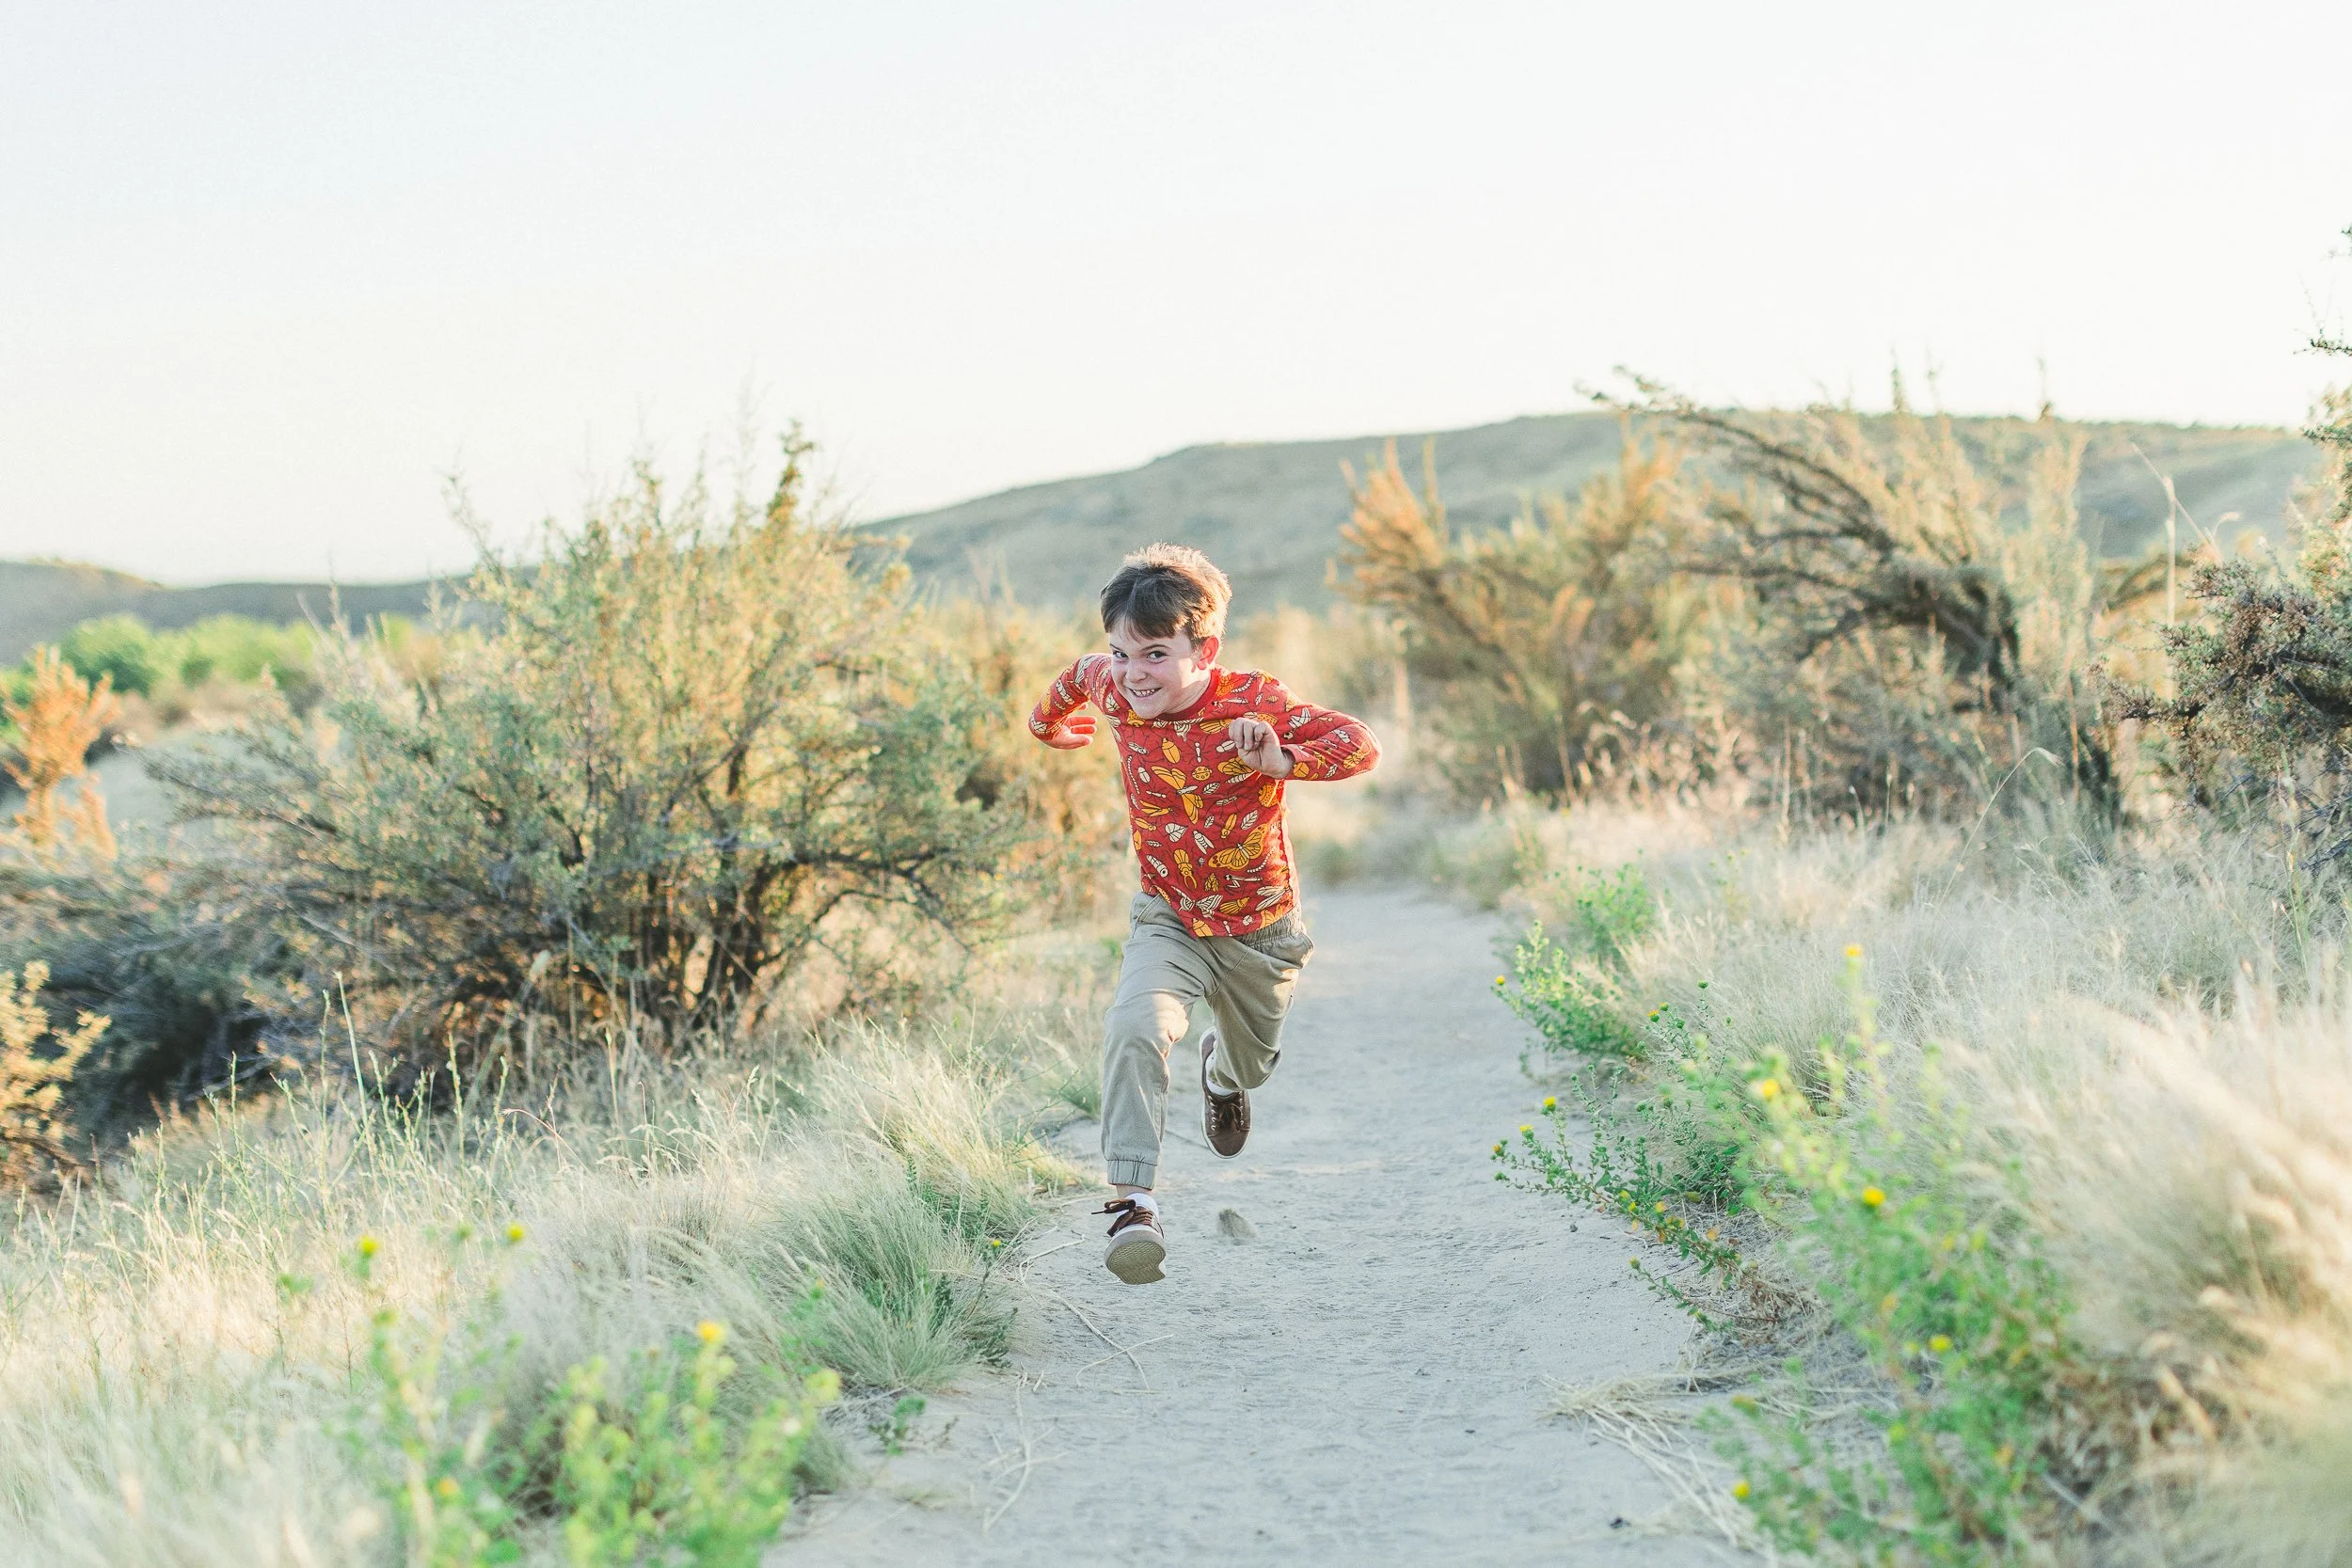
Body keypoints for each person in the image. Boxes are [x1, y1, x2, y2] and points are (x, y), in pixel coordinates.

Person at [1028, 543, 1380, 1283]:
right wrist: (1046, 726)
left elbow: (1359, 743)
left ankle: (1221, 1074)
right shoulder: (1113, 685)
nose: (1133, 672)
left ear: (1204, 648)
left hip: (1260, 926)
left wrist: (1282, 762)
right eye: (1122, 652)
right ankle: (1133, 1205)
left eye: (1154, 653)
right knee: (1135, 1024)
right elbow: (1069, 681)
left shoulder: (1255, 703)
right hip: (1170, 916)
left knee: (1254, 1060)